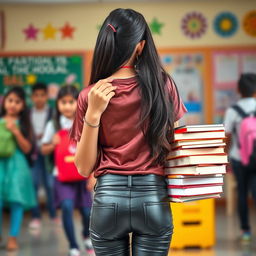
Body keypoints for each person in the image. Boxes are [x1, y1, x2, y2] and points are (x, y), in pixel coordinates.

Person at [70, 8, 187, 256]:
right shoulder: (163, 86)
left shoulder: (90, 95)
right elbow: (176, 147)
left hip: (107, 202)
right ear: (140, 46)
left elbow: (83, 168)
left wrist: (94, 115)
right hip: (154, 197)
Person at [41, 85, 95, 256]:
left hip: (82, 175)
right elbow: (43, 150)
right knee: (66, 206)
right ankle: (73, 245)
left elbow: (93, 149)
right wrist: (52, 144)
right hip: (62, 177)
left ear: (78, 103)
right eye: (62, 102)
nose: (67, 106)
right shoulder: (53, 124)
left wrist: (92, 176)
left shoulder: (86, 123)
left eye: (71, 102)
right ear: (57, 104)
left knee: (87, 211)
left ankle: (86, 236)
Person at [0, 86, 36, 251]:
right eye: (10, 100)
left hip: (18, 166)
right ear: (4, 102)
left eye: (17, 101)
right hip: (1, 165)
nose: (13, 104)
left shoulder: (24, 123)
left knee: (17, 201)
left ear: (23, 105)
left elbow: (28, 148)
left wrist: (15, 131)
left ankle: (13, 236)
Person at [224, 73, 256, 243]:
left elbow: (227, 137)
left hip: (238, 157)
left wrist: (224, 155)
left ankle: (246, 232)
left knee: (242, 194)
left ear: (238, 90)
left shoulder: (232, 111)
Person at [29, 82, 57, 230]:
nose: (39, 98)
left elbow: (56, 131)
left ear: (46, 96)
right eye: (36, 95)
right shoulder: (27, 113)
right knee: (33, 184)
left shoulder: (52, 112)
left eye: (42, 95)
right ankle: (35, 216)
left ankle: (53, 214)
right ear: (31, 97)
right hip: (33, 154)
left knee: (50, 185)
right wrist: (33, 137)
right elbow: (25, 131)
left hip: (48, 154)